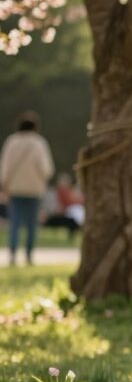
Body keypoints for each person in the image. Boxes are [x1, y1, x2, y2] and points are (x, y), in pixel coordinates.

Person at [0, 111, 55, 266]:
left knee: (15, 223)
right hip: (34, 190)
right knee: (32, 225)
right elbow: (47, 169)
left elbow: (5, 168)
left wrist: (5, 184)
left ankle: (12, 254)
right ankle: (29, 255)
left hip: (15, 189)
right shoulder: (39, 143)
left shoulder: (11, 142)